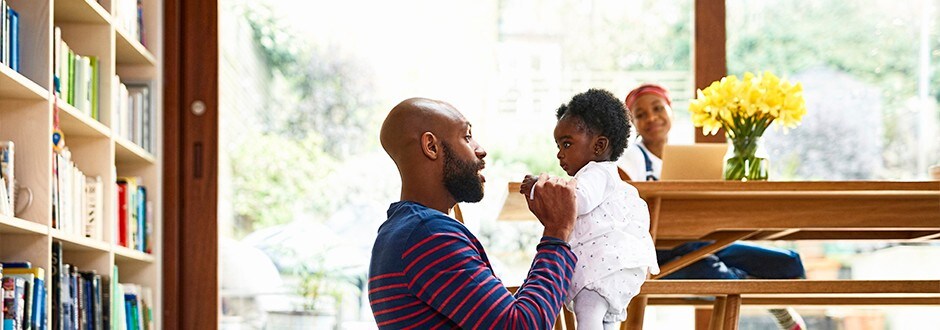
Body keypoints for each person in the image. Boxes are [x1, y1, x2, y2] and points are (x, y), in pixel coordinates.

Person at [369, 97, 579, 329]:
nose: (481, 150)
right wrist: (557, 233)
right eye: (467, 137)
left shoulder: (401, 233)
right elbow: (521, 325)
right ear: (431, 147)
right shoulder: (429, 235)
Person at [617, 84, 808, 330]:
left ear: (671, 110)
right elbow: (625, 211)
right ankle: (767, 298)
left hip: (697, 241)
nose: (651, 117)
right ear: (632, 122)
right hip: (657, 253)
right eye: (640, 114)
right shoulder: (629, 158)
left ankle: (753, 285)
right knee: (715, 274)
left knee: (788, 264)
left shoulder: (690, 156)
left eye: (657, 108)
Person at [520, 89, 660, 329]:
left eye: (566, 144)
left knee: (588, 315)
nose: (559, 154)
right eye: (558, 145)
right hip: (612, 269)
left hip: (599, 269)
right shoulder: (606, 175)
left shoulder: (596, 172)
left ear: (599, 146)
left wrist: (539, 187)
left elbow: (575, 202)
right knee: (604, 322)